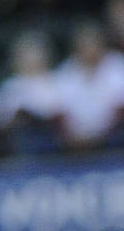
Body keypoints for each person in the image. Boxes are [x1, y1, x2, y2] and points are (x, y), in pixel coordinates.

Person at [53, 23, 124, 151]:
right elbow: (60, 111)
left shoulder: (117, 65)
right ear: (76, 47)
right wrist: (73, 136)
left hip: (114, 135)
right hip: (74, 140)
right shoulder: (65, 72)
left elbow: (120, 108)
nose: (90, 49)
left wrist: (103, 134)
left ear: (102, 44)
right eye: (85, 44)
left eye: (93, 43)